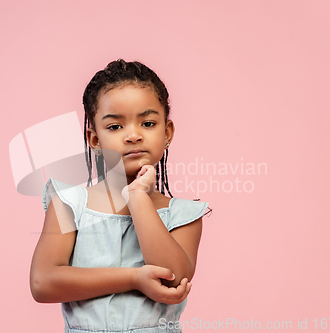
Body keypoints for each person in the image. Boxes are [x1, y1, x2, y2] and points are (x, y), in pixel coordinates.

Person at [30, 59, 211, 333]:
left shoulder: (182, 214)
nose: (133, 135)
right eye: (115, 127)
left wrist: (138, 196)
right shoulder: (70, 204)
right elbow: (43, 283)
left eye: (148, 123)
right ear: (94, 140)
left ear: (167, 133)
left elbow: (174, 279)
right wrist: (133, 278)